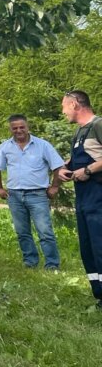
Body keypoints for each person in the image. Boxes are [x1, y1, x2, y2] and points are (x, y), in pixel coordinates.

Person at [0, 114, 64, 270]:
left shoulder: (43, 145)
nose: (18, 130)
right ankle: (30, 261)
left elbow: (58, 166)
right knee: (22, 232)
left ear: (27, 126)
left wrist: (55, 187)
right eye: (14, 128)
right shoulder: (5, 147)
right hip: (14, 195)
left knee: (45, 232)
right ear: (10, 129)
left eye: (21, 127)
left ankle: (52, 264)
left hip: (37, 195)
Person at [56, 90, 102, 309]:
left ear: (74, 104)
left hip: (99, 197)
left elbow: (92, 163)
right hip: (84, 200)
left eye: (64, 106)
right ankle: (99, 294)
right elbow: (78, 160)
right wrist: (65, 169)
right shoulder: (79, 133)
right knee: (88, 248)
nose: (63, 111)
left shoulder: (98, 125)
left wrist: (89, 170)